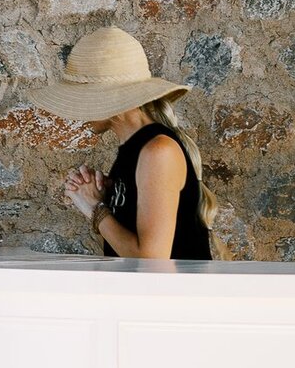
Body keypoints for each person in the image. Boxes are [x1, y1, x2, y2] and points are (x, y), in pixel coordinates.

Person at [34, 26, 215, 260]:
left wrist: (95, 209)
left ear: (108, 98)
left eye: (82, 98)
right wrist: (105, 201)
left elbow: (150, 260)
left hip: (173, 296)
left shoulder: (158, 151)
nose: (78, 113)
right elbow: (124, 251)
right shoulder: (132, 151)